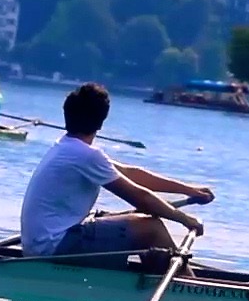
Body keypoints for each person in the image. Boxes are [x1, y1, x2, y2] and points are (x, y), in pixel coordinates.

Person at [19, 82, 213, 259]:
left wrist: (188, 190)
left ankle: (154, 277)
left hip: (41, 243)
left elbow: (131, 174)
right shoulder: (85, 155)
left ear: (67, 114)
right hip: (51, 247)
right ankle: (185, 289)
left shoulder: (67, 147)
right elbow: (142, 198)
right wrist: (185, 219)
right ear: (102, 121)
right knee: (151, 227)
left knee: (136, 221)